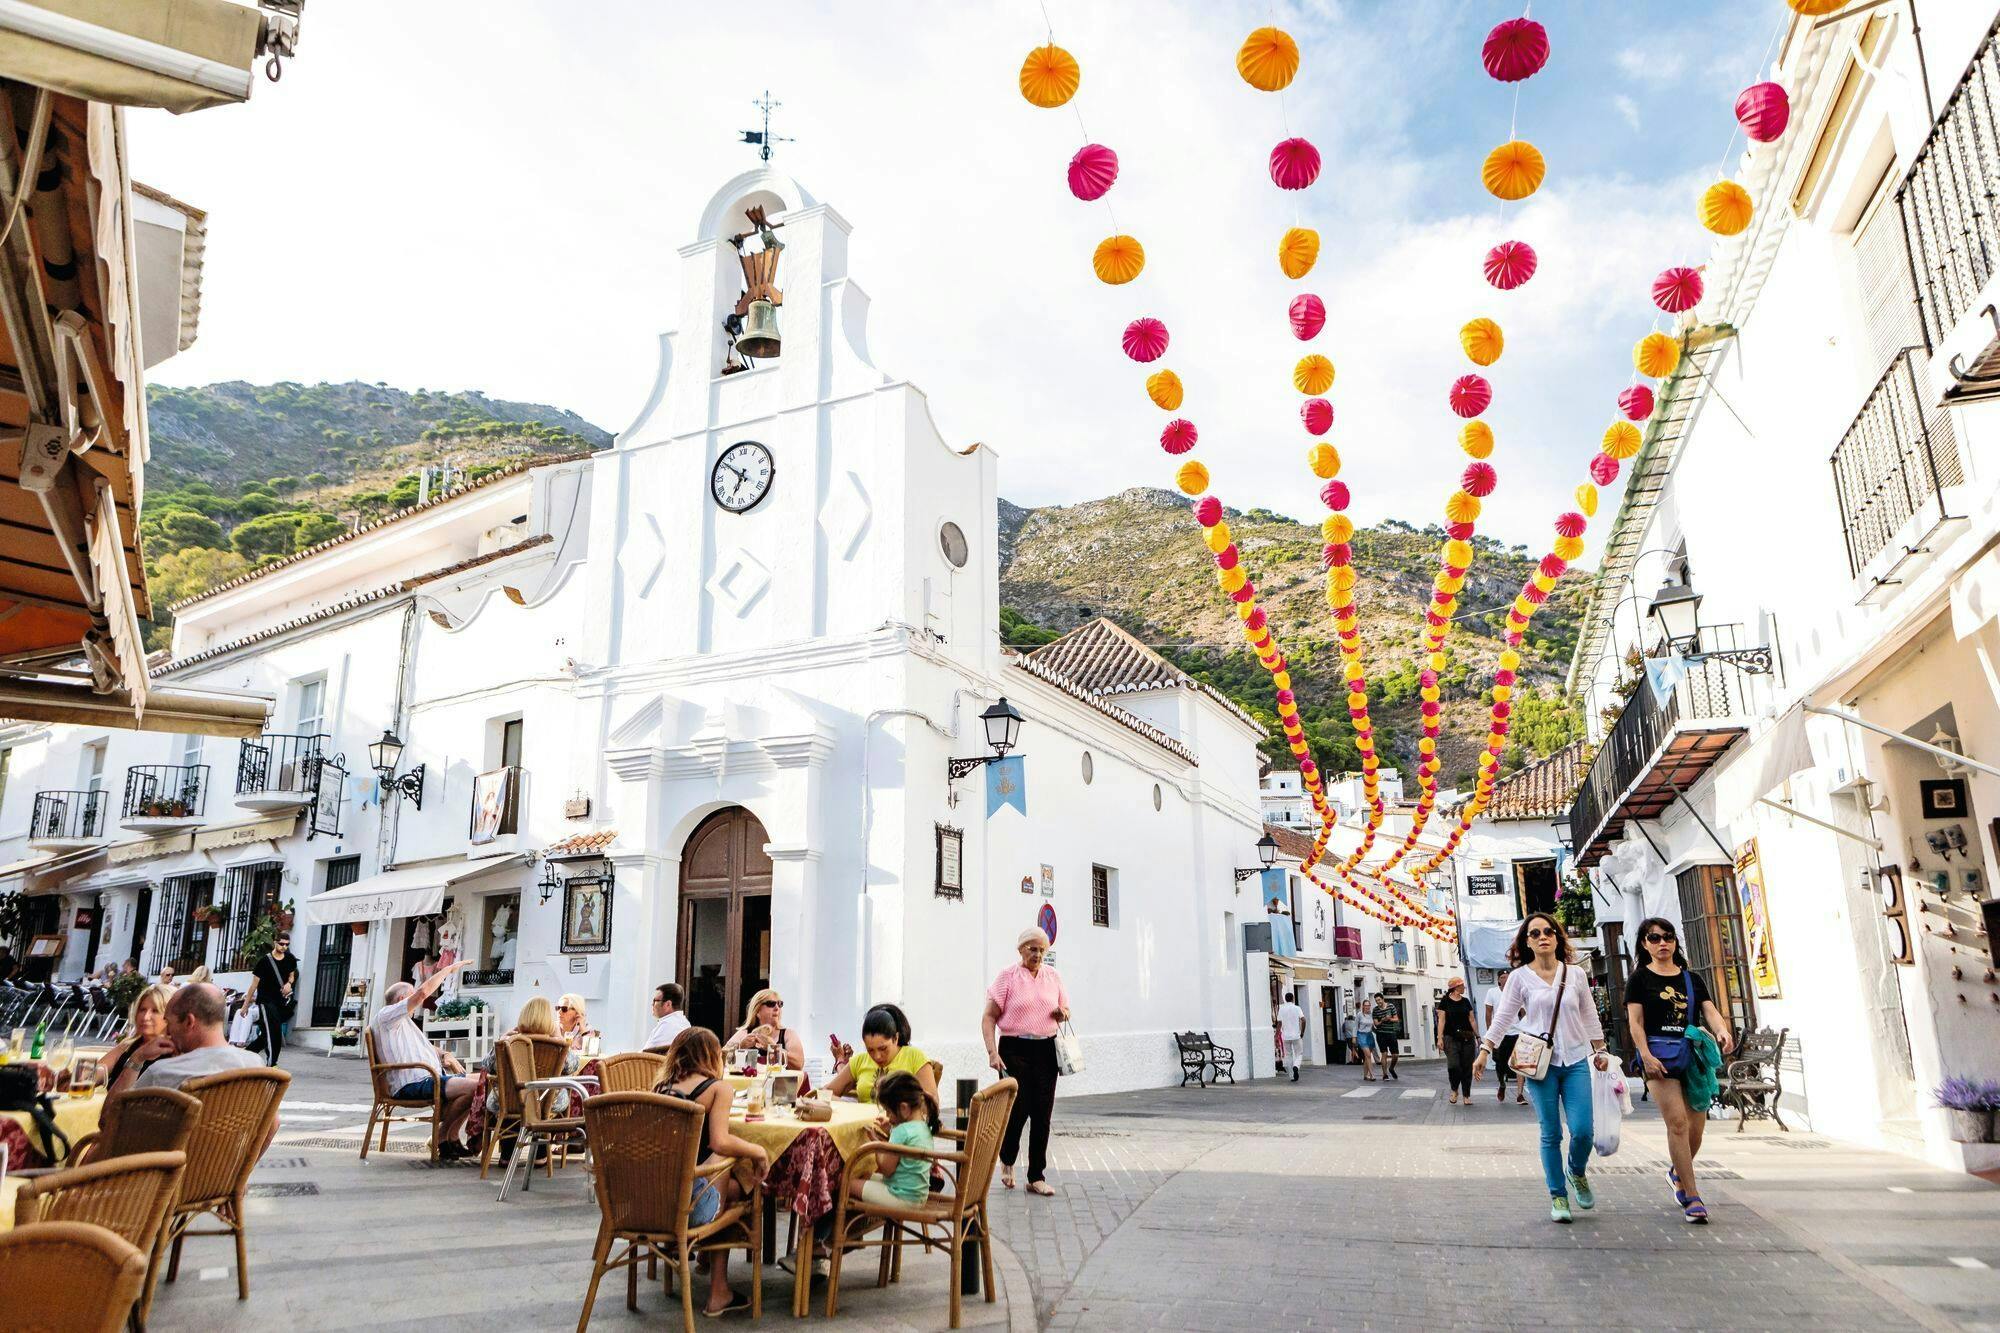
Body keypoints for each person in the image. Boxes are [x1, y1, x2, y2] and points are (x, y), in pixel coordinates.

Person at [1472, 913, 1610, 1224]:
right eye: (1535, 933)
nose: (1542, 936)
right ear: (1527, 942)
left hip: (1574, 1060)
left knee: (1583, 1130)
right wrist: (1485, 1050)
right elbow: (1504, 1017)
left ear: (1558, 938)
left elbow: (1589, 1015)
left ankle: (1576, 1172)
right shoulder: (1520, 978)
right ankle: (1558, 1195)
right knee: (1551, 1133)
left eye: (1548, 931)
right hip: (1538, 1064)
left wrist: (1599, 1049)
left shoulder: (1574, 975)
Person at [1626, 916, 1735, 1224]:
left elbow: (1710, 1011)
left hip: (1690, 1054)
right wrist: (1644, 1055)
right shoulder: (1640, 979)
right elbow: (1635, 1022)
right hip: (1658, 1056)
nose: (1662, 942)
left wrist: (1722, 1031)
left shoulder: (1691, 979)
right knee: (1677, 1124)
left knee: (1696, 1129)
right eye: (1655, 937)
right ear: (1645, 944)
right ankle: (1692, 1194)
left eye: (1668, 937)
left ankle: (1677, 1172)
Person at [660, 1028, 768, 1317]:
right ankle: (718, 1291)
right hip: (689, 1208)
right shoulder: (718, 1088)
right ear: (712, 1056)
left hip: (654, 1202)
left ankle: (706, 1260)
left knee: (735, 1185)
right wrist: (757, 1151)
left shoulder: (661, 1087)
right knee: (737, 1176)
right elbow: (719, 1141)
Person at [981, 926, 1069, 1196]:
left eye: (1042, 949)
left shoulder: (1053, 976)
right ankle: (1007, 1161)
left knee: (1042, 1114)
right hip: (1014, 1048)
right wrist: (992, 1052)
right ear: (1020, 950)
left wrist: (1061, 1013)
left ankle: (1036, 1176)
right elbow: (989, 1017)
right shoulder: (1008, 977)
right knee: (1017, 1110)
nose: (1037, 953)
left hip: (1046, 1049)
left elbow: (1066, 1010)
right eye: (1032, 948)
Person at [369, 958, 479, 1159]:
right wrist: (447, 970)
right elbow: (422, 993)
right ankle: (443, 1137)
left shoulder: (404, 1024)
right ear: (401, 999)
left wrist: (446, 1055)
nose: (417, 1002)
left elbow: (429, 1048)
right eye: (411, 997)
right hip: (412, 1083)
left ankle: (449, 1137)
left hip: (430, 1077)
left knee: (482, 1080)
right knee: (475, 1088)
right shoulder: (386, 1017)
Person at [133, 984, 265, 1089]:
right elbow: (272, 1123)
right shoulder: (255, 1065)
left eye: (169, 1022)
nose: (167, 1031)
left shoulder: (162, 1072)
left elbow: (120, 1113)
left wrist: (136, 1060)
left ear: (189, 1022)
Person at [850, 1070, 937, 1208]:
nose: (888, 1117)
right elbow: (903, 1152)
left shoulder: (901, 1131)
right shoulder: (923, 1125)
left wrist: (877, 1144)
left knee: (847, 1183)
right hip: (918, 1195)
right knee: (864, 1176)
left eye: (889, 1111)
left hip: (900, 1198)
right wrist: (889, 1133)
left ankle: (843, 1226)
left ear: (903, 1108)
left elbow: (886, 1169)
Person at [825, 1003, 938, 1104]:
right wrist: (851, 1108)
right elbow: (824, 1093)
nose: (877, 1056)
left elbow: (932, 1103)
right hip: (865, 1125)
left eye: (883, 1048)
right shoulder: (859, 1061)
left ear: (896, 1038)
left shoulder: (914, 1057)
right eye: (870, 1050)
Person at [102, 982, 175, 1093]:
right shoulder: (128, 1046)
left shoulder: (176, 1054)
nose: (145, 1017)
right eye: (142, 1010)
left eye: (155, 1011)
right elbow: (97, 1072)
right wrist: (79, 1076)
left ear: (171, 1016)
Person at [242, 932, 299, 1067]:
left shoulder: (290, 959)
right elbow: (253, 986)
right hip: (266, 1001)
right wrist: (245, 1006)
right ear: (275, 942)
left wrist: (289, 984)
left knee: (268, 1033)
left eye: (287, 944)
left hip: (280, 1001)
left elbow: (292, 976)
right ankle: (272, 1063)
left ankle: (246, 1055)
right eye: (281, 944)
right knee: (273, 1032)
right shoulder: (264, 962)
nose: (284, 947)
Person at [723, 988, 807, 1073]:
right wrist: (740, 1047)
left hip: (780, 1085)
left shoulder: (788, 1034)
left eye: (780, 1004)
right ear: (757, 1010)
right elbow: (719, 1060)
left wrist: (773, 1048)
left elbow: (798, 1064)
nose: (777, 1008)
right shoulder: (744, 1033)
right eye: (771, 1004)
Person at [1481, 969, 1527, 1105]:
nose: (1506, 979)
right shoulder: (1492, 993)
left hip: (1516, 1032)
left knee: (1519, 1063)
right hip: (1500, 1034)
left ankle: (1520, 1094)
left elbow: (1523, 1011)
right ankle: (1502, 1084)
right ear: (1499, 979)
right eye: (1503, 977)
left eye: (1508, 977)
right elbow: (1488, 1013)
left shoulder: (1517, 993)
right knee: (1500, 1064)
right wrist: (1490, 1034)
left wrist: (1525, 1026)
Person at [1436, 977, 1477, 1106]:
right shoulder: (1445, 1001)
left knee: (1467, 1067)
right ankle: (1454, 1089)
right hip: (1450, 1038)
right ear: (1455, 988)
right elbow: (1441, 1020)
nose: (1464, 987)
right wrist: (1439, 1038)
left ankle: (1466, 1095)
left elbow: (1472, 1020)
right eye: (1461, 985)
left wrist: (1477, 1035)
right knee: (1454, 1066)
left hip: (1467, 1038)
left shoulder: (1466, 1001)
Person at [644, 981, 689, 1051]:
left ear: (668, 1004)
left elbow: (645, 1056)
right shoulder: (682, 1022)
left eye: (655, 1001)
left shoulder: (669, 1024)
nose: (652, 1004)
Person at [1276, 991, 1306, 1083]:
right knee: (1299, 1054)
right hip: (1296, 1035)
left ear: (1285, 999)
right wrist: (1302, 1032)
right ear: (1293, 998)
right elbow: (1303, 1020)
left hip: (1286, 1036)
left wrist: (1276, 1035)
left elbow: (1279, 1023)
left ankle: (1292, 1076)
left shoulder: (1282, 1009)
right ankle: (1296, 1066)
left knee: (1288, 1055)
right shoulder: (1297, 1008)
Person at [1372, 993, 1402, 1080]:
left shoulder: (1391, 1006)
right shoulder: (1375, 1010)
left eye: (1379, 1000)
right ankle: (1385, 1075)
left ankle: (1391, 1068)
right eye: (1376, 1001)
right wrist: (1382, 1020)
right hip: (1381, 1034)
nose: (1378, 1002)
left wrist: (1389, 1019)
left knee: (1395, 1055)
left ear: (1383, 999)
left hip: (1391, 1033)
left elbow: (1396, 1019)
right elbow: (1376, 1024)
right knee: (1384, 1053)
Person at [1352, 993, 1378, 1080]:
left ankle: (1365, 1075)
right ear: (1363, 1006)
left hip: (1369, 1035)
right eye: (1365, 1005)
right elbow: (1355, 1026)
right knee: (1368, 1055)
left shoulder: (1372, 1014)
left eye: (1368, 1005)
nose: (1367, 1007)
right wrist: (1354, 1037)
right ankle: (1372, 1075)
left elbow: (1373, 1026)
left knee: (1368, 1056)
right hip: (1361, 1035)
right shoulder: (1359, 1015)